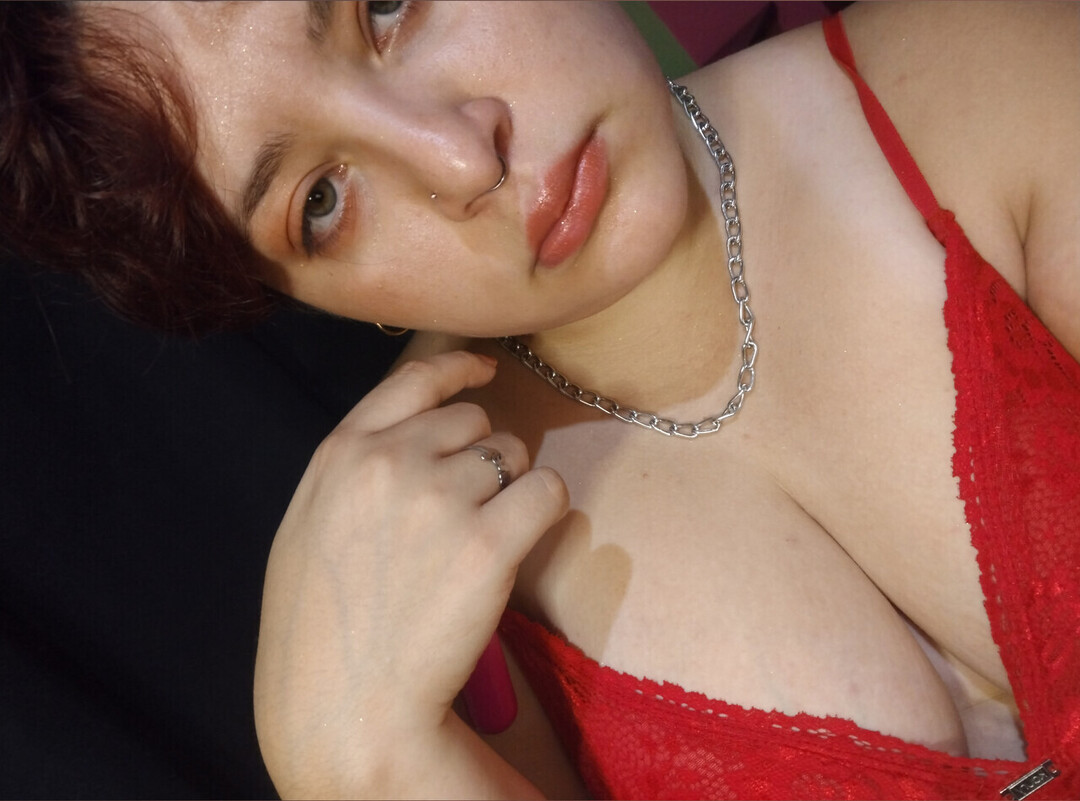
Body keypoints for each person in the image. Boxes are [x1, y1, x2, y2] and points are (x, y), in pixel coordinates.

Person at [2, 2, 1078, 799]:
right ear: (285, 293)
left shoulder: (990, 87)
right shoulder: (433, 600)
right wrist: (359, 768)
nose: (460, 156)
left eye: (386, 5)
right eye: (320, 201)